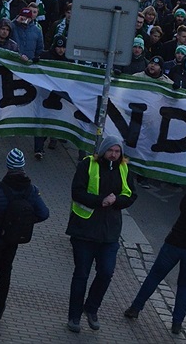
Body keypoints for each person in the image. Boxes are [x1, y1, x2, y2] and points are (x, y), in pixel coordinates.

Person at [124, 168, 186, 335]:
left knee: (154, 276)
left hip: (174, 244)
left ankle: (135, 308)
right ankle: (177, 324)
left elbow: (183, 209)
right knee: (184, 286)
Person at [66, 135, 137, 333]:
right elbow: (77, 192)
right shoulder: (87, 165)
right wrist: (100, 201)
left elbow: (131, 195)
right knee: (81, 274)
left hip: (109, 233)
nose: (114, 155)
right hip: (84, 231)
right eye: (110, 151)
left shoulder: (124, 168)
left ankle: (91, 308)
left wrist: (117, 201)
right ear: (103, 151)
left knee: (106, 272)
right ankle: (74, 316)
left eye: (117, 151)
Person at [0, 148, 50, 337]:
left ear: (8, 166)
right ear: (23, 166)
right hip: (13, 240)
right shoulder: (32, 190)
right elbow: (44, 213)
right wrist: (24, 223)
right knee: (5, 273)